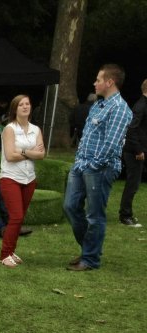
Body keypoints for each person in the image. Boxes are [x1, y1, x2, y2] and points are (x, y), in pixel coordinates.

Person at [64, 64, 133, 271]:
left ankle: (90, 259)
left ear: (110, 82)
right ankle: (89, 249)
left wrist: (93, 165)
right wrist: (80, 162)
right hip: (82, 165)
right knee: (70, 206)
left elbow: (111, 145)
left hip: (100, 168)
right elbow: (87, 136)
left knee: (94, 215)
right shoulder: (99, 104)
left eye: (98, 79)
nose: (95, 83)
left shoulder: (120, 108)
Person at [0, 95, 46, 267]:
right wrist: (29, 151)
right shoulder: (9, 129)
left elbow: (41, 154)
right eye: (21, 105)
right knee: (16, 216)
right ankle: (4, 255)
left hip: (29, 179)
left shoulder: (36, 129)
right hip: (10, 178)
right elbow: (10, 156)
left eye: (27, 103)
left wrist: (23, 150)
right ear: (15, 109)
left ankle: (11, 251)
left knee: (20, 217)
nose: (25, 107)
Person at [118, 79, 147, 227]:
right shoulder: (141, 106)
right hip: (134, 151)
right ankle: (125, 215)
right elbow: (132, 129)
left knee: (134, 183)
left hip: (139, 149)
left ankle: (126, 213)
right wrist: (138, 150)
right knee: (133, 183)